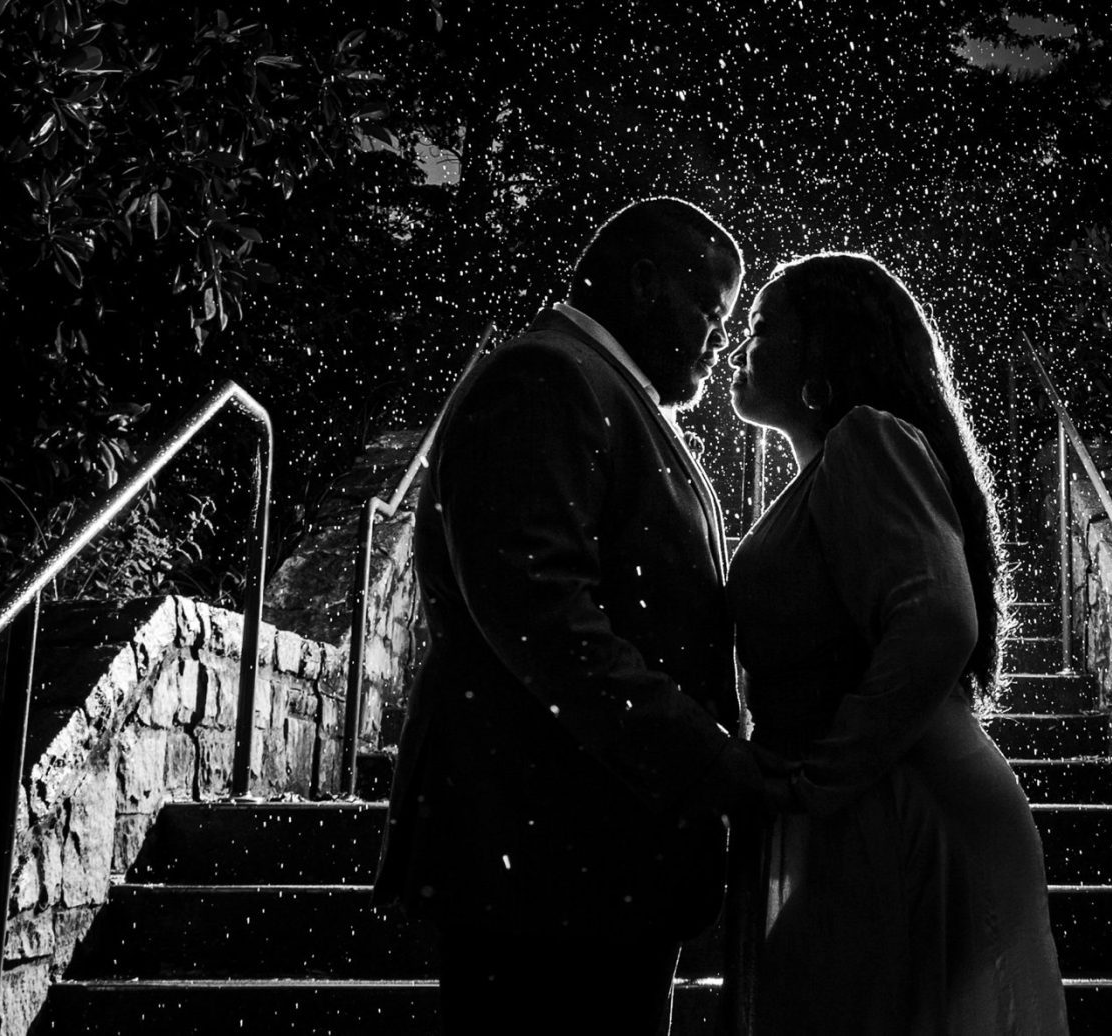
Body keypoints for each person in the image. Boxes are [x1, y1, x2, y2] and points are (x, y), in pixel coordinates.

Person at [372, 197, 774, 1033]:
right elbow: (541, 616)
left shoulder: (595, 389)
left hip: (585, 858)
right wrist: (710, 761)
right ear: (644, 282)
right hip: (546, 861)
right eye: (712, 307)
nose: (720, 337)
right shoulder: (547, 379)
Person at [723, 252, 1072, 1034]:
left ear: (821, 348)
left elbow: (939, 620)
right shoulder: (831, 467)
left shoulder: (864, 441)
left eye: (760, 327)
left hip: (903, 804)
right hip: (872, 798)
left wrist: (818, 778)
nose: (735, 348)